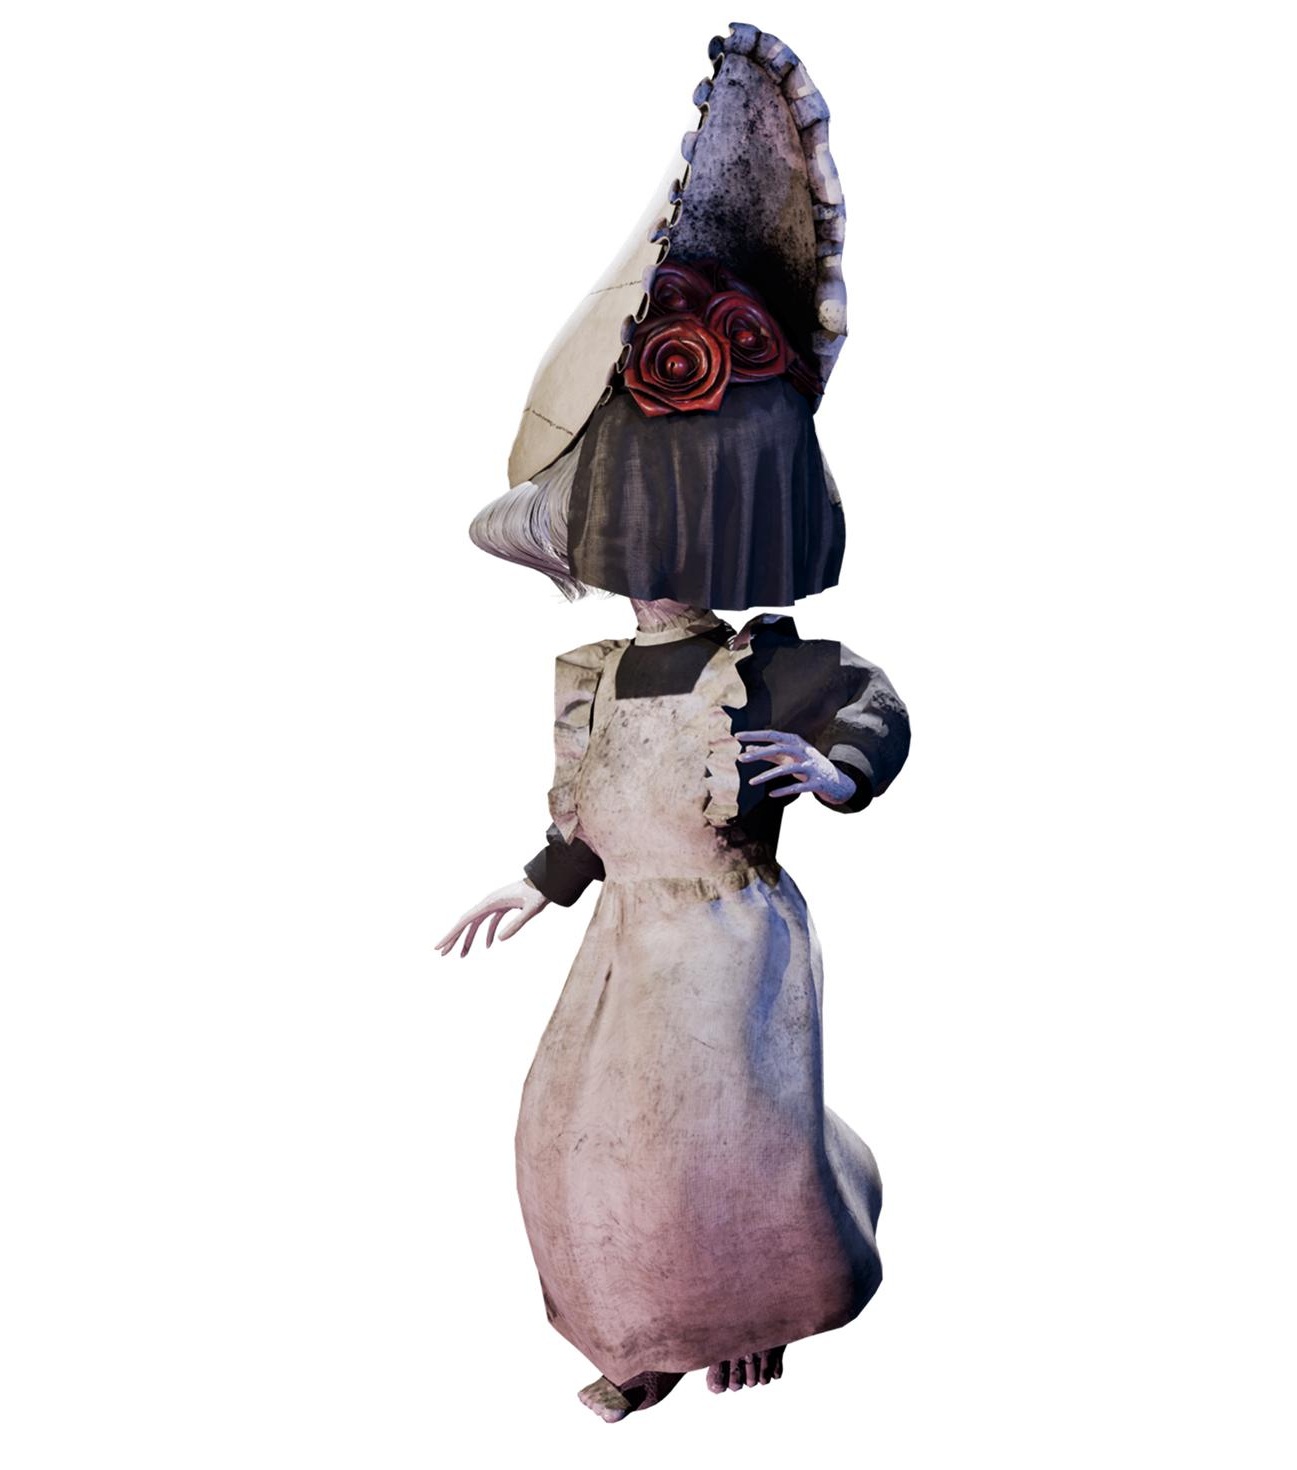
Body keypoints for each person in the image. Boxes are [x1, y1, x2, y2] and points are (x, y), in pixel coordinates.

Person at [436, 25, 912, 1421]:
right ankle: (633, 1326)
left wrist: (829, 767)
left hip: (730, 948)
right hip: (624, 948)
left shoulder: (765, 665)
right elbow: (589, 822)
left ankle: (748, 1314)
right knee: (583, 1138)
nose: (644, 565)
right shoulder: (589, 678)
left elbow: (871, 707)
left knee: (721, 1142)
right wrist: (536, 882)